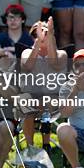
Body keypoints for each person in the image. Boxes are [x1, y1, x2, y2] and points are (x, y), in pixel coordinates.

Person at [20, 18, 67, 151]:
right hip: (31, 94)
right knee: (26, 105)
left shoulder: (61, 54)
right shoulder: (27, 52)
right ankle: (30, 147)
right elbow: (28, 66)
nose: (40, 36)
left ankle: (46, 145)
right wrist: (37, 44)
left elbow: (54, 63)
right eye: (35, 34)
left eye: (44, 33)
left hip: (53, 96)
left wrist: (50, 36)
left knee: (45, 102)